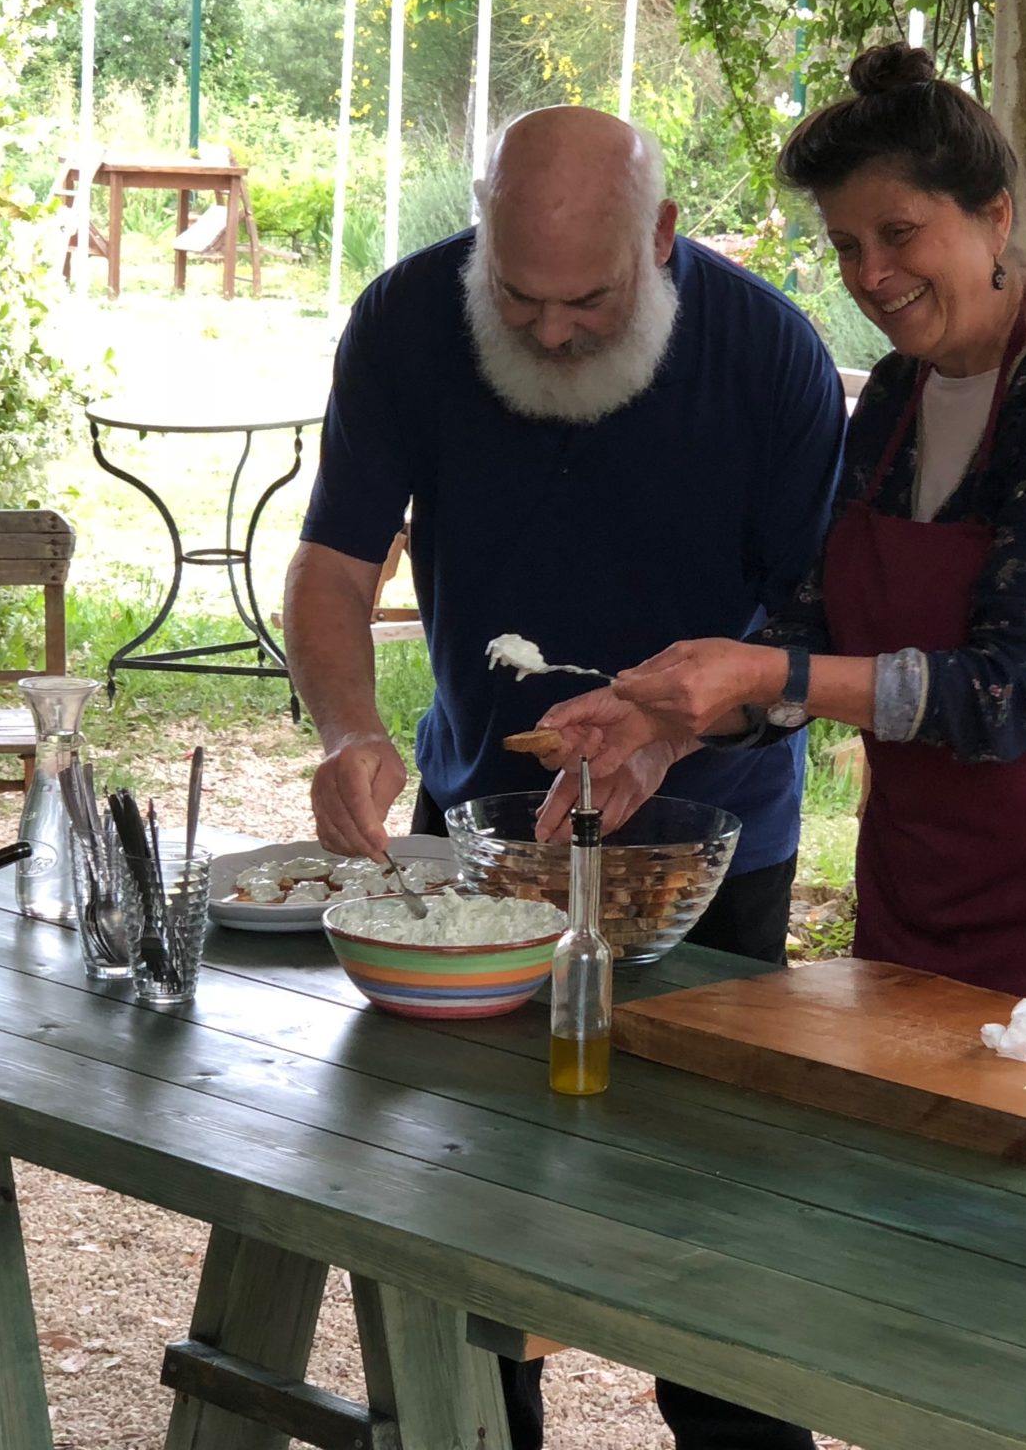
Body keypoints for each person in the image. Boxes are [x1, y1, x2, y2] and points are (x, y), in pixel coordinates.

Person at [283, 105, 843, 1450]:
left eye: (587, 298)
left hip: (714, 849)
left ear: (661, 240)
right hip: (482, 835)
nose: (546, 333)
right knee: (460, 1217)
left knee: (713, 1240)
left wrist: (672, 729)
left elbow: (817, 631)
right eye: (515, 295)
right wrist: (349, 728)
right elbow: (335, 566)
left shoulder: (769, 354)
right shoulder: (411, 319)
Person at [541, 46, 1026, 1039]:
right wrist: (665, 729)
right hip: (921, 888)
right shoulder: (892, 397)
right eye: (844, 245)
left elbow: (1008, 695)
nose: (870, 275)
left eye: (897, 234)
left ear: (993, 217)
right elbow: (815, 628)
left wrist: (753, 673)